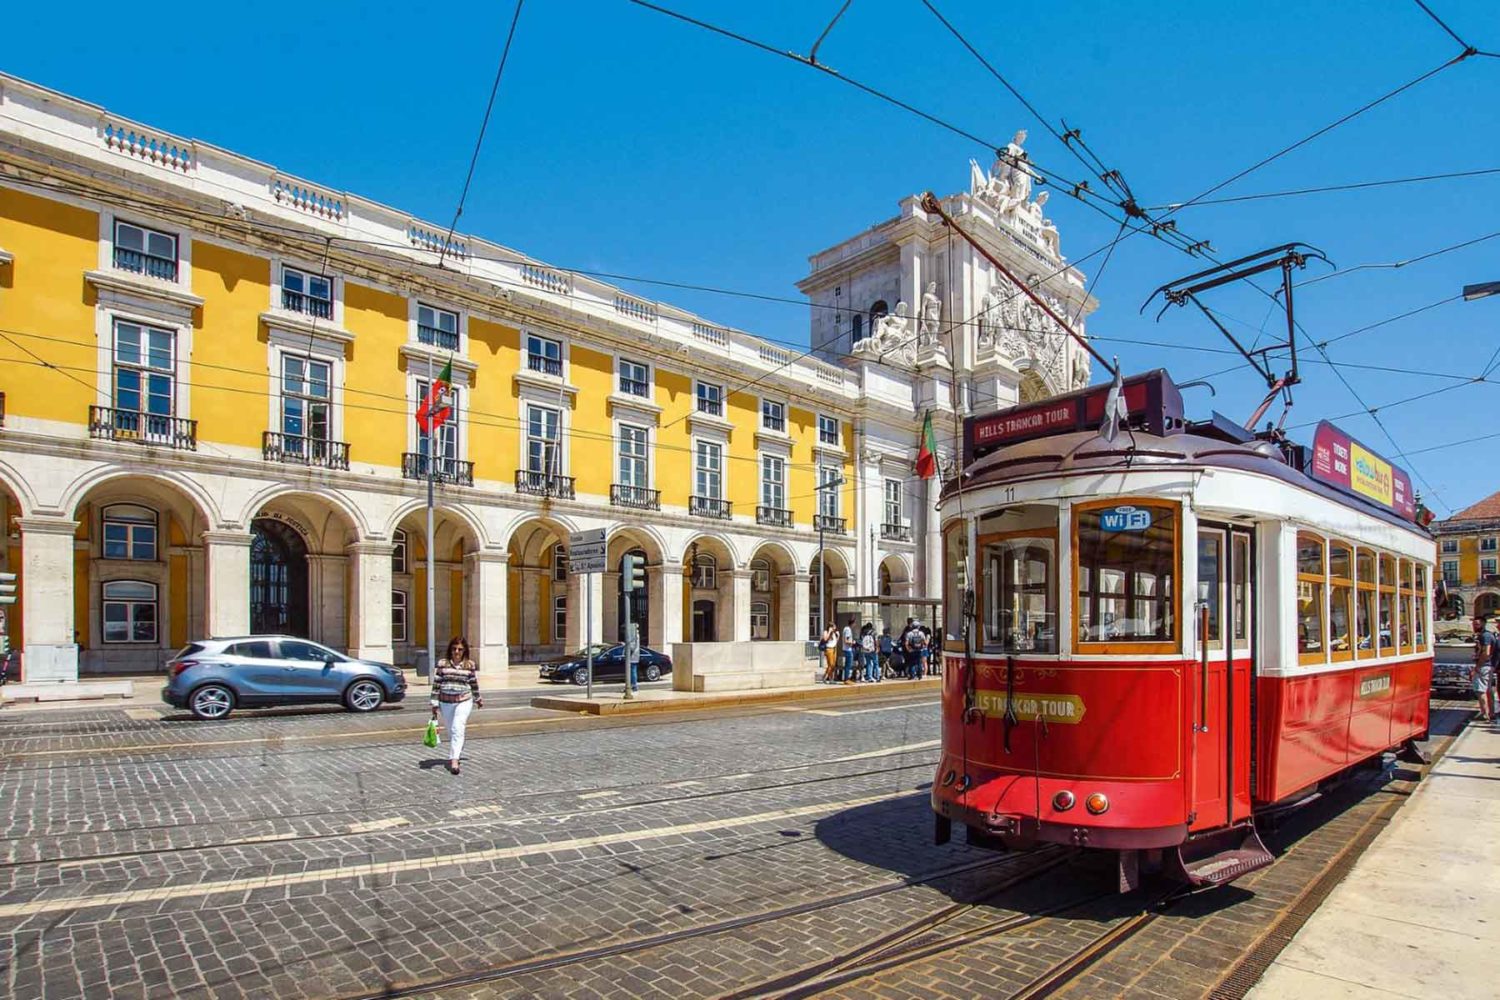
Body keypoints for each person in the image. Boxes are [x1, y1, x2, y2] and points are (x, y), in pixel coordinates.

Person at [430, 636, 482, 775]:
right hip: (445, 702)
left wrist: (477, 698)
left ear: (464, 651)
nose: (456, 652)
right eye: (454, 649)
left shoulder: (469, 665)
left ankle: (454, 760)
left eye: (460, 649)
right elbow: (437, 684)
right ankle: (457, 752)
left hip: (464, 700)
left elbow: (473, 683)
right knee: (451, 730)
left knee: (457, 728)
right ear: (450, 649)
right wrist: (434, 702)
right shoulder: (443, 663)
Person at [1476, 616, 1498, 723]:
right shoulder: (1489, 635)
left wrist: (1478, 666)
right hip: (1489, 666)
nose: (1475, 626)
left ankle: (1485, 714)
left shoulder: (1485, 636)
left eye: (1477, 624)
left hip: (1484, 666)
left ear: (1483, 624)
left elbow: (1486, 652)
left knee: (1481, 690)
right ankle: (1491, 713)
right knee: (1489, 690)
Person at [841, 617, 858, 685]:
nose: (855, 624)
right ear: (852, 623)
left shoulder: (846, 628)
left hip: (846, 649)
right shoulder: (848, 630)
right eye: (855, 623)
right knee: (848, 665)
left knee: (847, 665)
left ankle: (846, 678)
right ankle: (846, 679)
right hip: (848, 649)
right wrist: (852, 642)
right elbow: (846, 640)